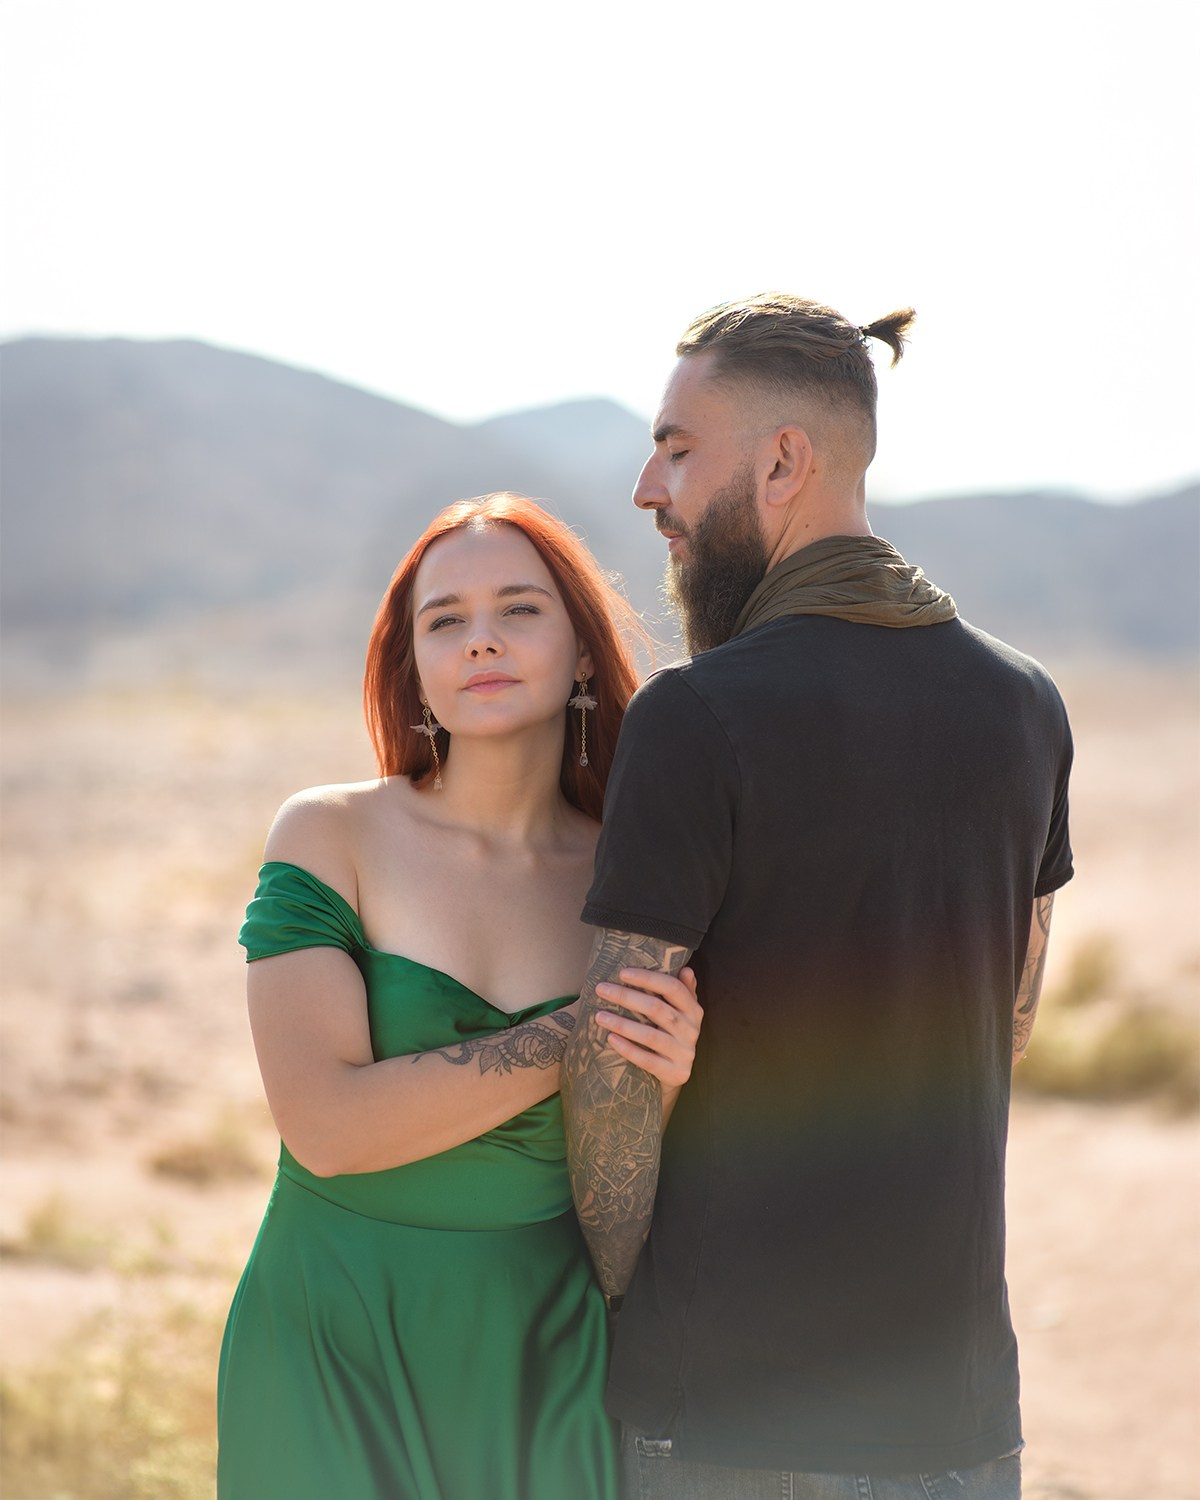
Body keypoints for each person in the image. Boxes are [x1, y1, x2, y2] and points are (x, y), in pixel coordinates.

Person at [562, 294, 1074, 1500]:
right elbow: (1008, 1018)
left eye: (678, 449)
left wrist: (628, 1298)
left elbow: (616, 1061)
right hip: (959, 1419)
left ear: (784, 461)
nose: (647, 489)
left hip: (733, 1416)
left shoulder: (695, 714)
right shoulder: (1027, 703)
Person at [217, 492, 703, 1500]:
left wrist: (665, 1076)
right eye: (445, 621)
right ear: (415, 667)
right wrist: (584, 1030)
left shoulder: (638, 874)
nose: (481, 640)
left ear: (582, 652)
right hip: (331, 1331)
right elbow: (327, 1129)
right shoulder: (329, 833)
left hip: (548, 1346)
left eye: (519, 609)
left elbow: (635, 1169)